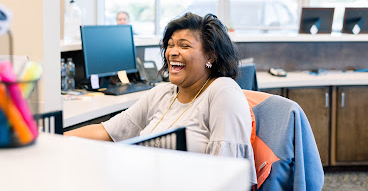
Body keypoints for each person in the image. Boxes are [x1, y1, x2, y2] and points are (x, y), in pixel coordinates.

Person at [65, 12, 257, 185]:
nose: (172, 51)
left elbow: (227, 174)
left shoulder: (223, 92)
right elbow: (107, 131)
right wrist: (51, 138)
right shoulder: (163, 93)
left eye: (184, 45)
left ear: (211, 56)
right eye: (170, 44)